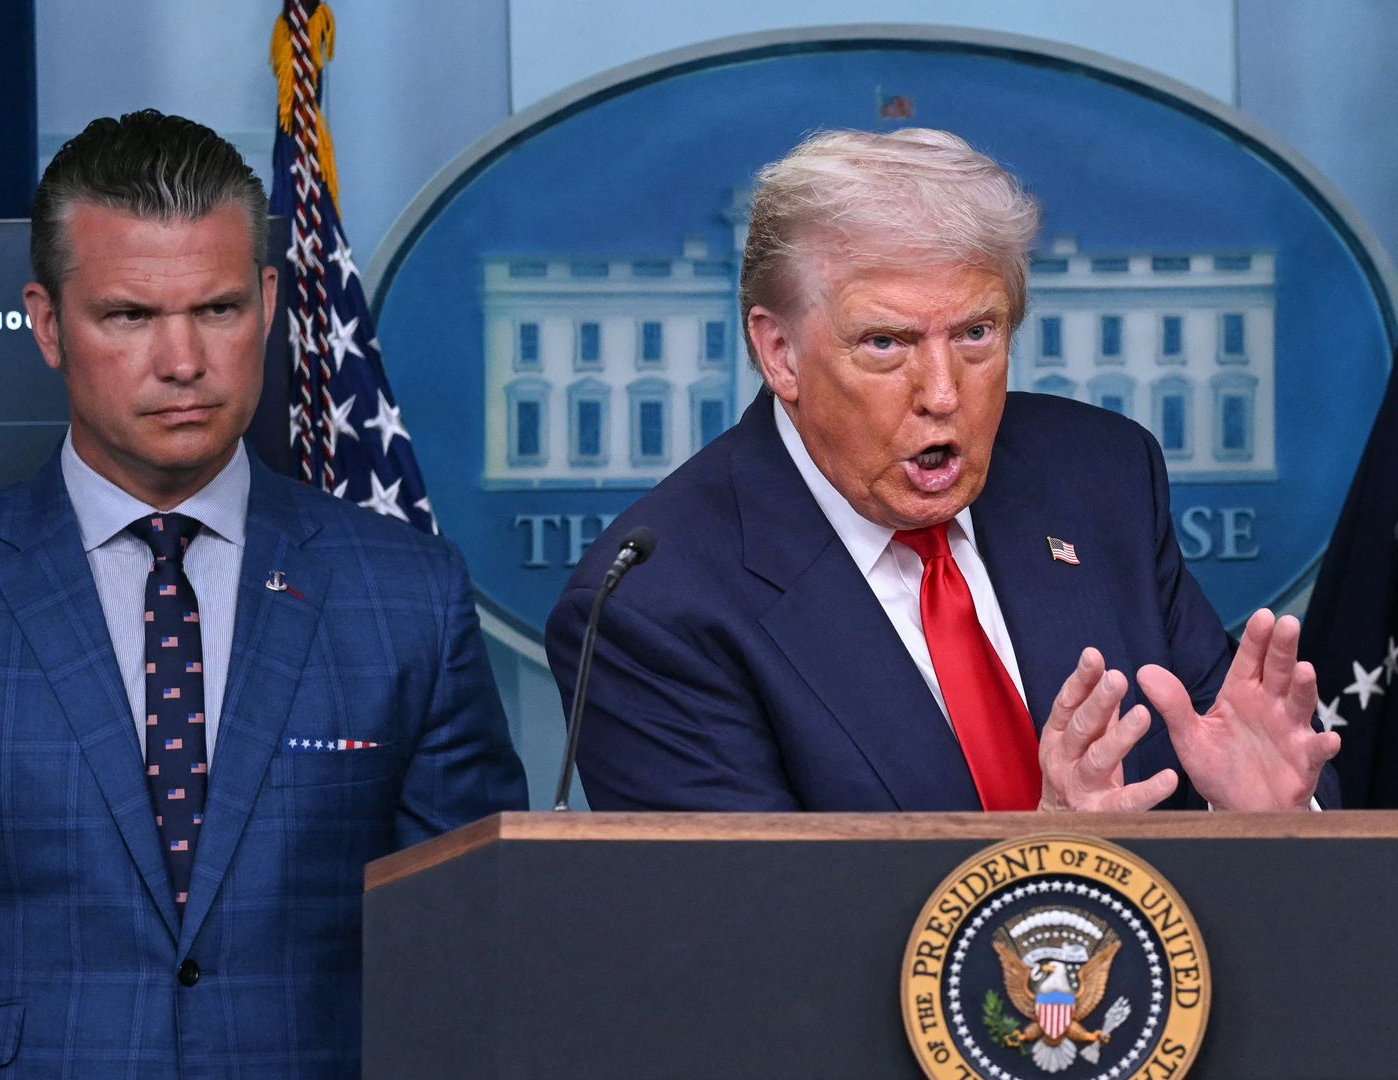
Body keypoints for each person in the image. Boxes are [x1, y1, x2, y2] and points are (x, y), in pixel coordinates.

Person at [548, 128, 1339, 814]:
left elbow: (1230, 752)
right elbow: (747, 923)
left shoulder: (1099, 476)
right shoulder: (654, 606)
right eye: (885, 343)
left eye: (975, 334)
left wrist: (1268, 818)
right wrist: (1047, 852)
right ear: (780, 353)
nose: (942, 393)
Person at [0, 111, 528, 1076]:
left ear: (270, 301)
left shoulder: (407, 595)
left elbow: (472, 943)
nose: (183, 362)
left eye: (218, 309)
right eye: (130, 316)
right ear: (47, 324)